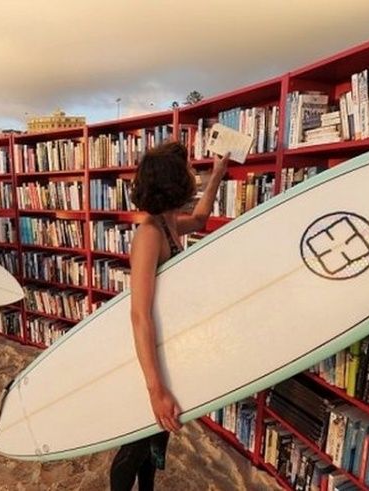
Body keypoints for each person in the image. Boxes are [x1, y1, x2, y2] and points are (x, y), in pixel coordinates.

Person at [109, 142, 229, 490]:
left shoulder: (169, 223)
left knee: (154, 438)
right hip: (146, 357)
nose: (193, 176)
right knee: (132, 448)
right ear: (172, 183)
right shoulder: (148, 235)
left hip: (163, 349)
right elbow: (139, 315)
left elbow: (203, 218)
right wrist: (155, 388)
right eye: (188, 172)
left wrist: (218, 175)